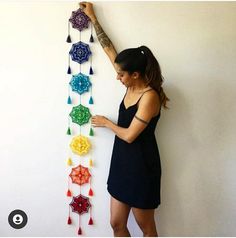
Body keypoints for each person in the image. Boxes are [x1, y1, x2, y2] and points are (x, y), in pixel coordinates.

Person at [80, 2, 169, 237]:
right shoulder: (129, 81)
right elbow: (110, 50)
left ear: (135, 75)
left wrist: (107, 123)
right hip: (122, 163)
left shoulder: (149, 97)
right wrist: (93, 18)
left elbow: (129, 135)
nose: (117, 77)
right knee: (116, 224)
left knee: (146, 227)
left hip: (142, 166)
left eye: (121, 74)